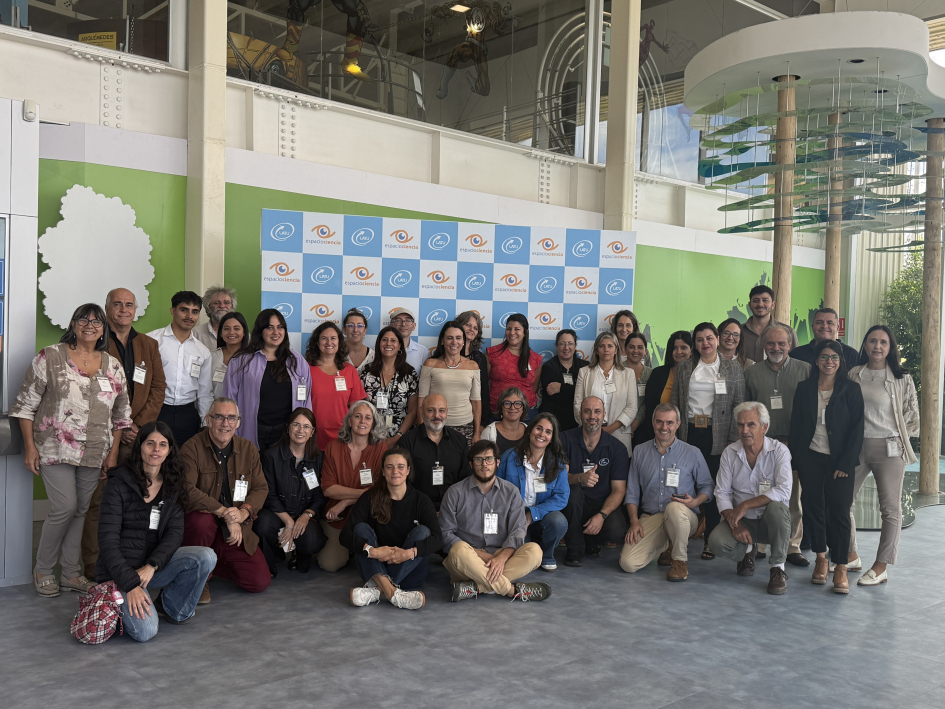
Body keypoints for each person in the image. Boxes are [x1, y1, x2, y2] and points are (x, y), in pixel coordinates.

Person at [12, 303, 132, 597]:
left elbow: (121, 415)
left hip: (95, 450)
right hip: (55, 447)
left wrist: (113, 453)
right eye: (83, 319)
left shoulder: (112, 365)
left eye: (97, 321)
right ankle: (42, 569)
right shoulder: (50, 356)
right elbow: (26, 406)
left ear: (104, 328)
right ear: (73, 323)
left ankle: (70, 574)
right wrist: (30, 447)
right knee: (64, 507)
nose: (90, 325)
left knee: (80, 509)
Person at [96, 422, 216, 641]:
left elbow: (174, 534)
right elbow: (107, 542)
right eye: (150, 443)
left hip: (151, 568)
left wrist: (153, 565)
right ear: (140, 446)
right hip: (120, 572)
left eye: (163, 444)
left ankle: (172, 608)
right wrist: (130, 584)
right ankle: (118, 599)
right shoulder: (118, 483)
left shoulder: (173, 484)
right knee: (146, 632)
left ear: (170, 450)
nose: (156, 450)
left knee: (205, 556)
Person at [81, 288, 167, 579]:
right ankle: (93, 564)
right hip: (103, 435)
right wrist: (119, 425)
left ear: (135, 309)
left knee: (135, 501)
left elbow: (158, 389)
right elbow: (87, 391)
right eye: (117, 304)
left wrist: (139, 427)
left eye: (129, 304)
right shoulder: (94, 343)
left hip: (138, 436)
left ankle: (132, 560)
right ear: (107, 308)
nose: (123, 309)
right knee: (99, 501)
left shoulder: (148, 344)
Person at [845, 325, 919, 586]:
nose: (877, 346)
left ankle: (881, 565)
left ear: (890, 348)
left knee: (890, 509)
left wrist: (897, 440)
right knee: (844, 502)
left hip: (889, 449)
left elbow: (912, 417)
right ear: (864, 345)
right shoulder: (854, 374)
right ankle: (851, 554)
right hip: (856, 447)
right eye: (872, 341)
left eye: (883, 342)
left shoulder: (902, 378)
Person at [789, 339, 864, 593]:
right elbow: (797, 426)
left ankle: (840, 565)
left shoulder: (851, 390)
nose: (829, 362)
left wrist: (845, 462)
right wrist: (798, 457)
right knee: (813, 509)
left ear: (841, 361)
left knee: (840, 512)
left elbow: (857, 431)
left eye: (834, 357)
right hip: (811, 457)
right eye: (824, 357)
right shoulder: (804, 388)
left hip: (840, 461)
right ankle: (821, 559)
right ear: (816, 360)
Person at [180, 397, 272, 602]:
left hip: (233, 531)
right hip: (204, 527)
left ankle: (209, 567)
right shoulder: (191, 448)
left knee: (258, 582)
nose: (225, 423)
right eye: (219, 417)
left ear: (239, 422)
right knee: (200, 521)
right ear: (208, 419)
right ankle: (197, 579)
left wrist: (243, 512)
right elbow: (186, 489)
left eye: (231, 418)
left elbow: (260, 488)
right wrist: (224, 512)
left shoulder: (248, 449)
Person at [439, 440, 551, 602]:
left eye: (489, 459)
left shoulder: (511, 492)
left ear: (497, 462)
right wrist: (485, 558)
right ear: (471, 464)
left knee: (534, 551)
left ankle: (476, 587)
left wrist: (500, 558)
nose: (484, 464)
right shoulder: (455, 492)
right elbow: (446, 534)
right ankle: (513, 590)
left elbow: (518, 530)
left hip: (501, 555)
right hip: (469, 558)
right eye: (479, 459)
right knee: (458, 550)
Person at [671, 322, 745, 560]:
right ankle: (676, 538)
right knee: (683, 483)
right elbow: (675, 403)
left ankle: (709, 540)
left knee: (713, 486)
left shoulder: (733, 369)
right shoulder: (684, 368)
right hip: (689, 432)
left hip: (718, 435)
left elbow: (739, 406)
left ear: (717, 339)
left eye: (709, 338)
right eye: (700, 339)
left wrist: (733, 440)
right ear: (695, 344)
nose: (705, 343)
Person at [619, 403, 714, 581]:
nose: (664, 427)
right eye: (660, 422)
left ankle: (679, 561)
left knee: (674, 508)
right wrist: (633, 521)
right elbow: (632, 491)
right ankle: (666, 545)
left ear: (678, 424)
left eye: (669, 423)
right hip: (652, 517)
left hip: (684, 516)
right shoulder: (640, 451)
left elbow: (707, 486)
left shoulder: (692, 452)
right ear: (653, 423)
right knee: (628, 564)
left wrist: (695, 502)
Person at [342, 448, 443, 609]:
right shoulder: (370, 497)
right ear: (382, 471)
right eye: (389, 467)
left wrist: (409, 553)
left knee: (423, 532)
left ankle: (376, 590)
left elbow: (438, 539)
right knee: (360, 528)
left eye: (401, 466)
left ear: (408, 470)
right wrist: (371, 551)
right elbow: (345, 535)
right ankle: (392, 592)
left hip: (410, 573)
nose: (395, 471)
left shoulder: (421, 500)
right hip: (376, 566)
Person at [709, 402, 794, 595]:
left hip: (771, 520)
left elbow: (783, 491)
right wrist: (734, 523)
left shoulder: (780, 451)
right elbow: (721, 493)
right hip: (742, 521)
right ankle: (748, 552)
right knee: (715, 542)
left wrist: (746, 505)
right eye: (740, 425)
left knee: (777, 508)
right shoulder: (729, 453)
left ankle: (778, 569)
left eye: (751, 425)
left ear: (764, 427)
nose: (744, 430)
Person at [744, 325, 811, 567]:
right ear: (764, 346)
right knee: (761, 493)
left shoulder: (805, 370)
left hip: (794, 443)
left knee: (793, 498)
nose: (776, 348)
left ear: (790, 345)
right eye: (771, 344)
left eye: (781, 344)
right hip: (762, 444)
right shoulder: (751, 373)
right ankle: (760, 544)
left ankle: (793, 546)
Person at [222, 309, 312, 450]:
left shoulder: (297, 361)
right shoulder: (240, 360)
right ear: (260, 331)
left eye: (280, 327)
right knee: (251, 470)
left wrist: (304, 428)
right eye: (270, 327)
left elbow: (306, 400)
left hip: (286, 432)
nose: (276, 332)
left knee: (280, 471)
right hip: (251, 430)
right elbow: (229, 398)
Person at [317, 401, 388, 572]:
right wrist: (362, 493)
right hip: (338, 518)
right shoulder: (333, 447)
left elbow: (381, 489)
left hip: (368, 515)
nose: (362, 421)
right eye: (357, 416)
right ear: (349, 421)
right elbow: (328, 488)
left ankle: (357, 548)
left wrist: (346, 501)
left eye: (367, 418)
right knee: (330, 565)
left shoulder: (380, 448)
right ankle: (350, 548)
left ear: (373, 423)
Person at [255, 408, 326, 577]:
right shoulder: (270, 456)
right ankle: (269, 564)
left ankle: (298, 556)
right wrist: (289, 522)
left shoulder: (318, 458)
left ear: (312, 432)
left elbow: (319, 495)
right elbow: (269, 494)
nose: (301, 430)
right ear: (288, 428)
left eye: (306, 427)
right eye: (296, 425)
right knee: (263, 525)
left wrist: (306, 515)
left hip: (304, 513)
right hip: (277, 512)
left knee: (311, 541)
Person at [560, 396, 630, 567]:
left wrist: (602, 515)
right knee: (573, 492)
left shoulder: (617, 448)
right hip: (573, 505)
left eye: (597, 411)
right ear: (580, 414)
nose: (592, 416)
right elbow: (559, 480)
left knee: (616, 529)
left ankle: (592, 541)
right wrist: (579, 478)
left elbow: (619, 490)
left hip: (601, 505)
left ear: (604, 415)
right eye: (587, 411)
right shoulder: (564, 439)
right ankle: (574, 549)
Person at [496, 414, 570, 571]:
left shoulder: (558, 464)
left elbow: (562, 497)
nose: (542, 435)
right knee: (523, 553)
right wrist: (515, 516)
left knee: (559, 522)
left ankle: (547, 554)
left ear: (552, 438)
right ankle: (529, 546)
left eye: (548, 432)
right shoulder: (509, 457)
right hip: (514, 516)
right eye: (539, 428)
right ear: (530, 431)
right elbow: (497, 489)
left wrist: (532, 514)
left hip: (542, 515)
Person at [148, 291, 214, 447]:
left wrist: (206, 424)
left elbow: (205, 393)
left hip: (188, 414)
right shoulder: (152, 341)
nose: (189, 316)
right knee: (155, 458)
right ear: (173, 311)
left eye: (195, 312)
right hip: (157, 410)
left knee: (185, 460)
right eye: (184, 310)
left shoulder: (202, 351)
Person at [400, 393, 471, 511]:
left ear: (447, 412)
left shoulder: (460, 441)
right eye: (431, 410)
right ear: (422, 411)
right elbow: (403, 483)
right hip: (418, 509)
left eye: (441, 410)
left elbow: (466, 479)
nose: (437, 415)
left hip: (454, 509)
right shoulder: (407, 442)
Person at [305, 321, 368, 451]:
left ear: (339, 342)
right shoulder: (306, 369)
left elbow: (356, 407)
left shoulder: (349, 370)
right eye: (324, 338)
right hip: (313, 436)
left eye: (333, 338)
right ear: (317, 343)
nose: (329, 342)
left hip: (343, 436)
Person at [573, 331, 638, 454]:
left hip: (619, 433)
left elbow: (632, 407)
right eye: (602, 346)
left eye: (610, 346)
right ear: (597, 350)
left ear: (616, 350)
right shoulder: (584, 372)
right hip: (589, 433)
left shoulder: (628, 374)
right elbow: (578, 405)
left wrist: (610, 429)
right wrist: (592, 428)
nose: (606, 349)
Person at [418, 321, 482, 444]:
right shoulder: (430, 364)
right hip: (435, 425)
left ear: (464, 341)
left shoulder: (473, 366)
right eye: (449, 338)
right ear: (442, 341)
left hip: (465, 426)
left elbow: (476, 402)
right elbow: (421, 400)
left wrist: (477, 432)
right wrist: (422, 430)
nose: (454, 342)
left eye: (458, 338)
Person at [360, 326, 419, 445]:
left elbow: (413, 410)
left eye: (393, 341)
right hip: (369, 437)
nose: (388, 344)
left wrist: (398, 437)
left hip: (402, 438)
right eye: (384, 340)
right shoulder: (366, 372)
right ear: (379, 344)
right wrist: (369, 434)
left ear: (400, 346)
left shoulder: (409, 374)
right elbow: (359, 406)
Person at [635, 330, 693, 446]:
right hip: (659, 434)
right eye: (675, 348)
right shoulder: (658, 373)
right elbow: (650, 407)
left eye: (683, 347)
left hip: (690, 435)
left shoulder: (697, 375)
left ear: (691, 350)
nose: (679, 352)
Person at [486, 314, 543, 419]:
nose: (512, 333)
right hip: (497, 413)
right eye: (508, 329)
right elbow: (483, 385)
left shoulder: (536, 359)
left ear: (525, 332)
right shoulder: (492, 354)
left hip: (527, 415)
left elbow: (533, 388)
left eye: (517, 329)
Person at [538, 329, 589, 430]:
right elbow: (556, 397)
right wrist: (576, 391)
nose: (566, 348)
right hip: (554, 422)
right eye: (562, 344)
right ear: (556, 346)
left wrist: (562, 387)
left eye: (570, 343)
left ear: (575, 346)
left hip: (578, 421)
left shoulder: (585, 367)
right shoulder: (549, 367)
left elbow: (587, 392)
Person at [740, 285, 798, 363]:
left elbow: (795, 362)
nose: (760, 304)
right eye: (756, 301)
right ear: (750, 305)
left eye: (765, 300)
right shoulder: (739, 331)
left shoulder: (788, 331)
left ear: (773, 305)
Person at [790, 307, 859, 369]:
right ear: (812, 326)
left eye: (830, 323)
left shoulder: (851, 355)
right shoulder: (797, 354)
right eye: (819, 322)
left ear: (838, 328)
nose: (824, 326)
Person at [458, 310, 492, 428]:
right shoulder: (444, 355)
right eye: (468, 325)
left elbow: (483, 392)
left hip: (471, 418)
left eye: (475, 328)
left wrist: (483, 423)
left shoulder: (480, 358)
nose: (472, 329)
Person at [209, 312, 249, 398]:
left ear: (244, 332)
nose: (231, 332)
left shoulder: (252, 359)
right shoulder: (211, 357)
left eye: (236, 328)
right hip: (214, 409)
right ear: (220, 333)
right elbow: (205, 391)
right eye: (226, 329)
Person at [480, 387, 529, 455]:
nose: (512, 407)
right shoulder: (489, 432)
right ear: (501, 408)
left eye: (517, 403)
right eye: (507, 403)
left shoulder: (530, 431)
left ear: (523, 408)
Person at [625, 332, 652, 445]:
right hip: (620, 426)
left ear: (645, 351)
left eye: (640, 347)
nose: (636, 351)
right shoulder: (616, 370)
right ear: (625, 349)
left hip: (644, 428)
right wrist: (625, 425)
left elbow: (649, 402)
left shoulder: (652, 373)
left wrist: (635, 424)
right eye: (632, 347)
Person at [193, 285, 238, 351]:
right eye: (216, 303)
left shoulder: (241, 334)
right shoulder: (195, 334)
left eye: (226, 303)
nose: (222, 306)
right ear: (208, 309)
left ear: (232, 308)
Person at [390, 308, 427, 373]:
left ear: (414, 326)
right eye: (398, 320)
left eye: (408, 320)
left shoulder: (423, 352)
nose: (403, 324)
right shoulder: (381, 349)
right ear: (391, 325)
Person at [343, 308, 375, 373]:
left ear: (365, 331)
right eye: (351, 325)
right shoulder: (335, 353)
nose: (355, 330)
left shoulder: (374, 356)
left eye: (360, 326)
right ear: (344, 330)